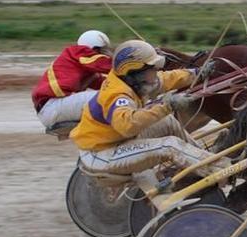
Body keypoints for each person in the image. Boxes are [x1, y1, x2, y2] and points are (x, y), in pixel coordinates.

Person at [70, 39, 237, 182]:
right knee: (169, 145)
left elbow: (165, 80)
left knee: (168, 122)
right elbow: (127, 125)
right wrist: (167, 106)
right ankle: (226, 169)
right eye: (153, 68)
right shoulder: (117, 94)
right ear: (135, 71)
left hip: (115, 140)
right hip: (101, 154)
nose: (157, 71)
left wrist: (196, 74)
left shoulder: (132, 80)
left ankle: (207, 159)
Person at [31, 30, 113, 129]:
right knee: (110, 97)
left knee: (112, 93)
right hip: (52, 106)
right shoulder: (79, 52)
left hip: (53, 109)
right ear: (95, 48)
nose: (107, 54)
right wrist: (129, 63)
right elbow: (105, 64)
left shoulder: (84, 68)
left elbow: (106, 83)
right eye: (103, 50)